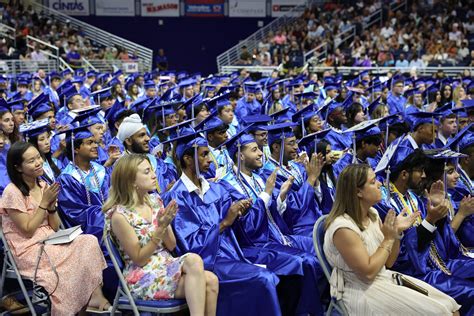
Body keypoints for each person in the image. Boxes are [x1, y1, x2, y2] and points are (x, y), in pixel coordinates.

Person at [324, 164, 460, 315]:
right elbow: (368, 272)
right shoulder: (343, 228)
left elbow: (389, 262)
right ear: (358, 192)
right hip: (361, 291)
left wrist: (395, 234)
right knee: (441, 312)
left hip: (384, 279)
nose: (380, 183)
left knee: (451, 306)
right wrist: (388, 238)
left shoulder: (373, 214)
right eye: (373, 181)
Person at [0, 142, 111, 314]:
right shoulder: (12, 192)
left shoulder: (44, 186)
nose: (38, 162)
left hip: (51, 239)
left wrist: (51, 207)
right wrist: (44, 203)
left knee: (88, 241)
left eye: (38, 157)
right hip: (28, 248)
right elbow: (27, 230)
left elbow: (55, 226)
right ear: (18, 167)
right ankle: (67, 309)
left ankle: (87, 300)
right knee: (69, 266)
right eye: (31, 161)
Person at [103, 154, 218, 316]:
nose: (154, 175)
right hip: (142, 276)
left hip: (165, 266)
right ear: (131, 180)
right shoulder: (119, 216)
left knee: (211, 280)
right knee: (199, 267)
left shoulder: (155, 201)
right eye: (147, 171)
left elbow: (171, 246)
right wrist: (160, 227)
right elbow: (139, 258)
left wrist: (166, 223)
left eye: (152, 170)